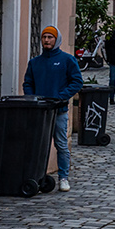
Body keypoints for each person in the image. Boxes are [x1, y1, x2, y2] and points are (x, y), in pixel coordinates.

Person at [22, 26, 82, 192]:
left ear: (56, 40)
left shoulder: (67, 60)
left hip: (59, 111)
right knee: (38, 146)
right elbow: (28, 83)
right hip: (40, 112)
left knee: (62, 146)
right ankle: (37, 176)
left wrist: (61, 96)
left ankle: (63, 177)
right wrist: (32, 98)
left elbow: (77, 82)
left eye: (50, 37)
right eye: (44, 37)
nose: (47, 40)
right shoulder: (35, 63)